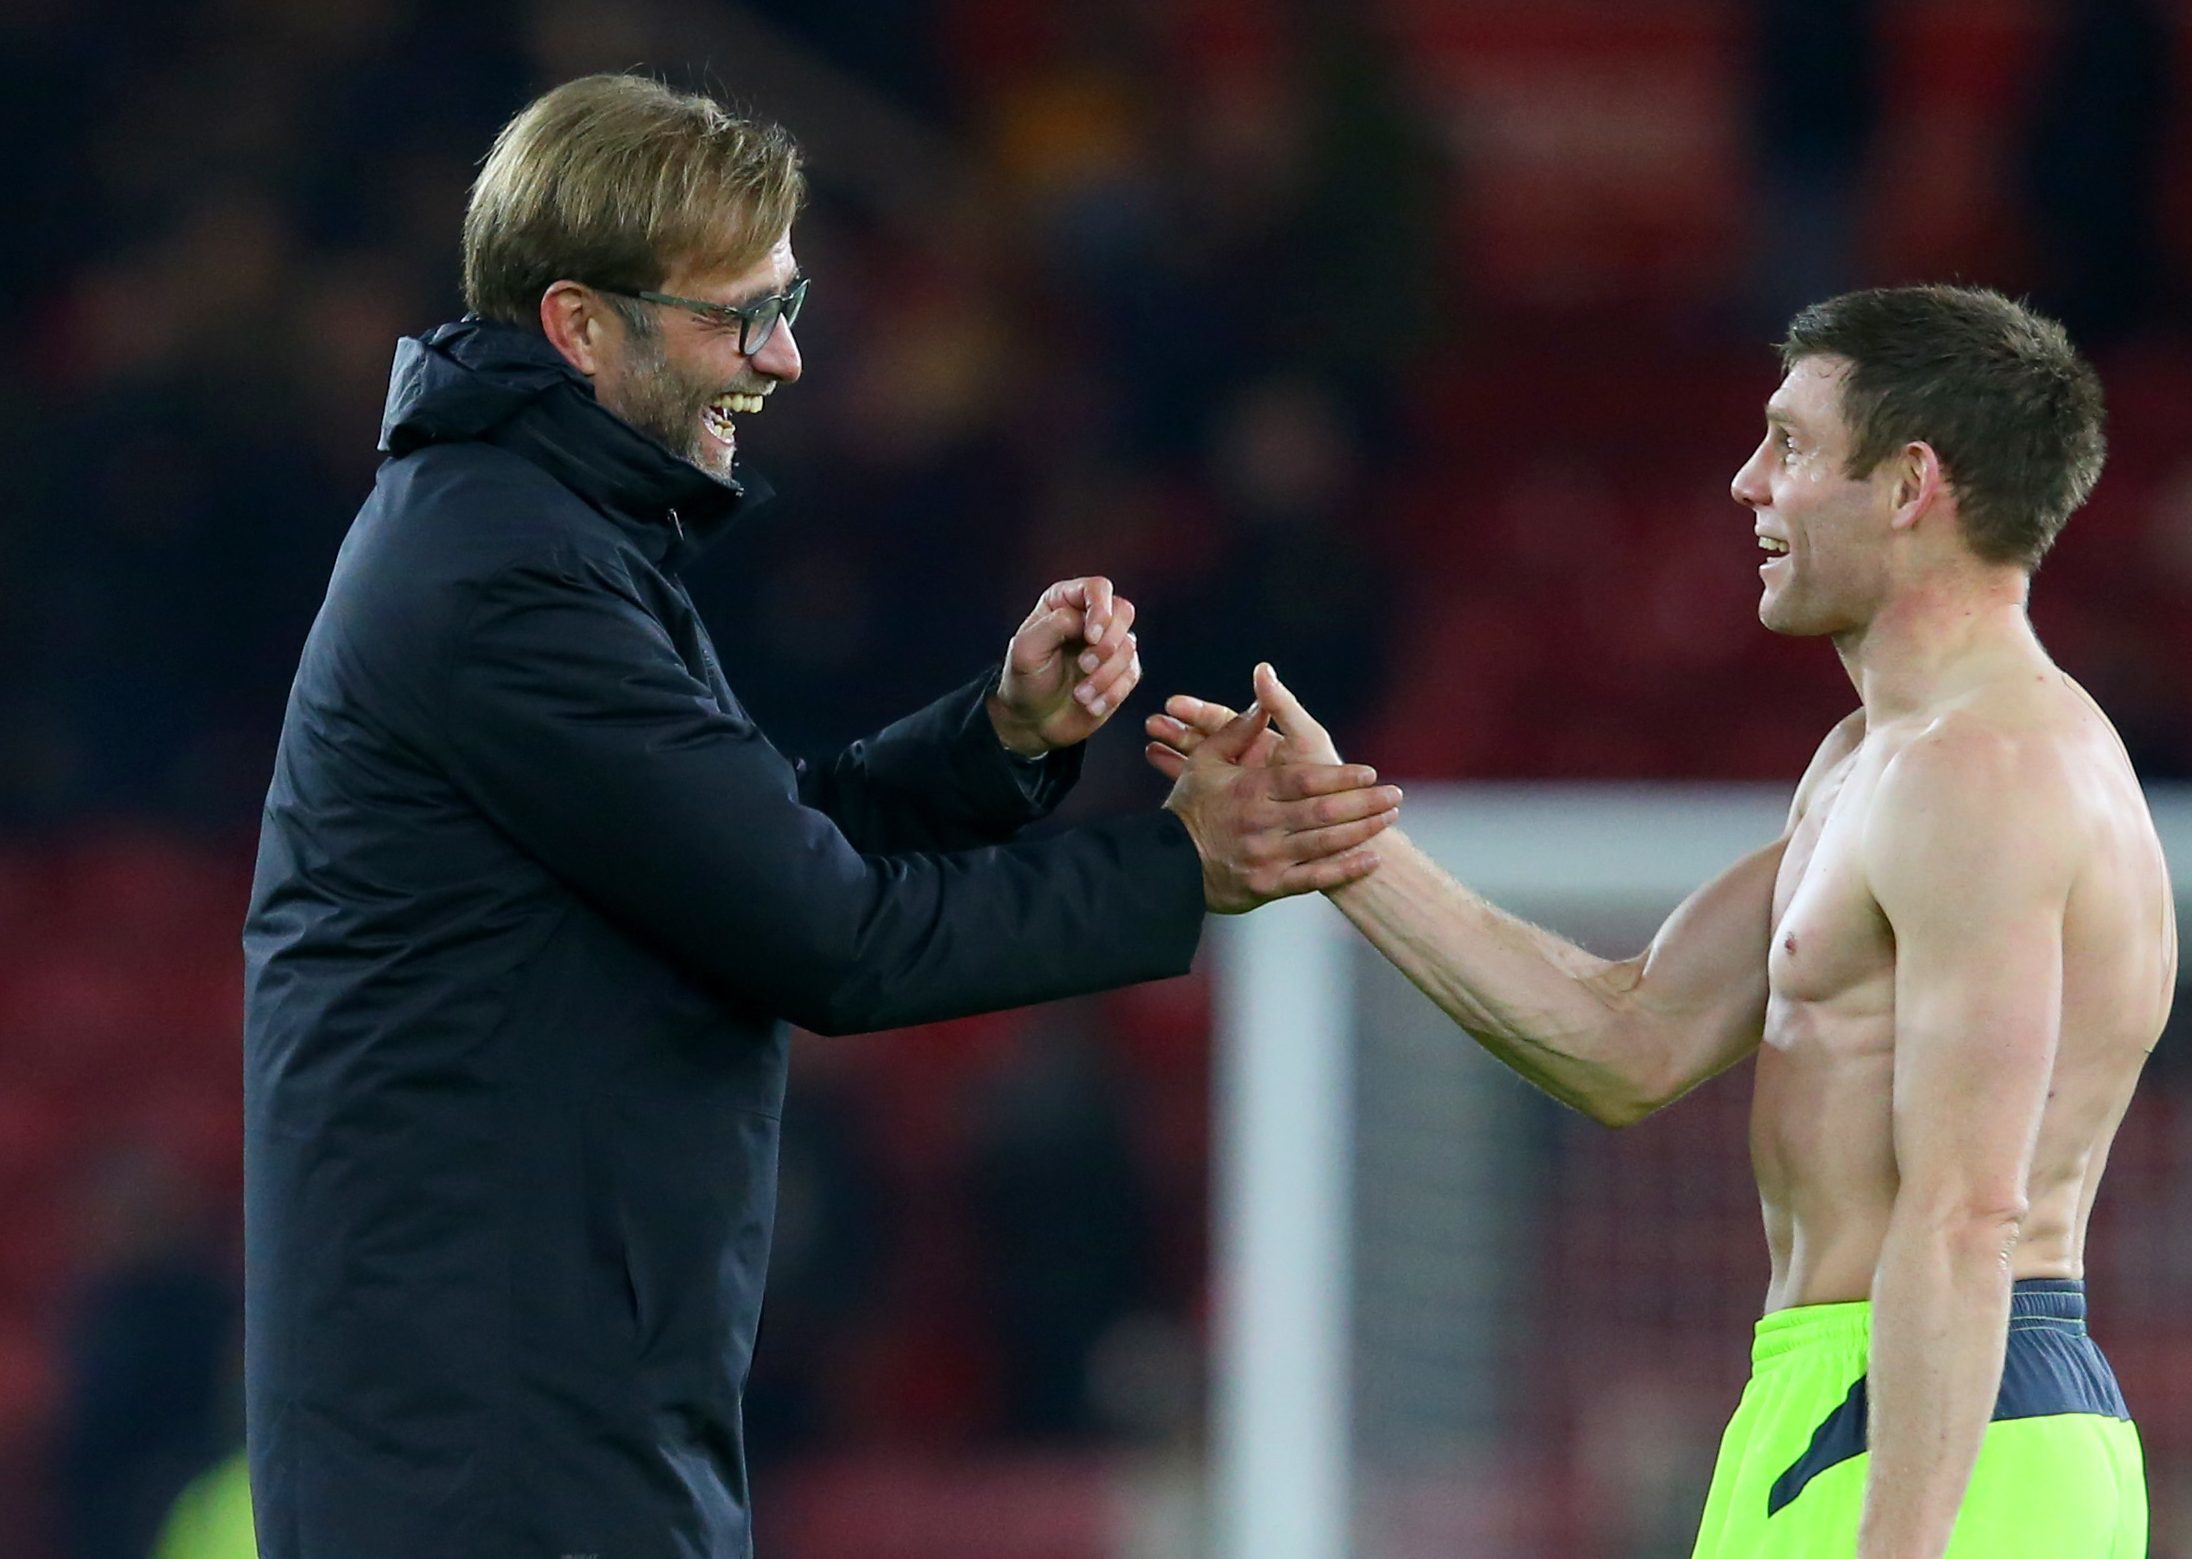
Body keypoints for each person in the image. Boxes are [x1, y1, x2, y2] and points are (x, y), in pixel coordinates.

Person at [241, 74, 1401, 1559]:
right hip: (488, 1441)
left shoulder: (528, 533)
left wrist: (992, 746)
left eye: (787, 301)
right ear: (582, 325)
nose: (783, 356)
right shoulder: (506, 575)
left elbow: (736, 850)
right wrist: (1182, 866)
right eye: (740, 314)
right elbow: (826, 934)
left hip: (524, 1402)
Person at [1151, 286, 2168, 1557]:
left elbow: (1967, 1210)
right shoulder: (1877, 759)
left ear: (1909, 484)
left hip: (1935, 1433)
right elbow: (1630, 1037)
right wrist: (1342, 847)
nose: (1747, 485)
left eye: (1790, 445)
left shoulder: (1984, 771)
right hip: (1847, 1401)